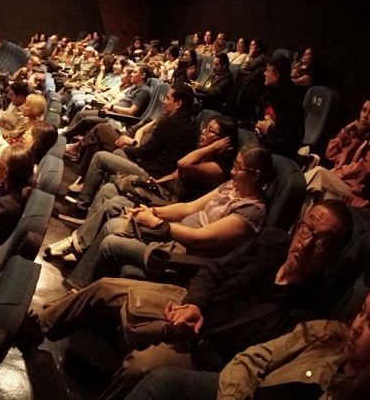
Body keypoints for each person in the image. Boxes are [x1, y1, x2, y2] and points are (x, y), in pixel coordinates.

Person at [33, 200, 356, 400]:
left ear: (334, 255)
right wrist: (195, 304)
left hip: (202, 348)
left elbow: (243, 362)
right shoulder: (272, 242)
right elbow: (215, 270)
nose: (306, 243)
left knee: (140, 368)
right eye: (306, 229)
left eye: (322, 241)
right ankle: (35, 326)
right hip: (191, 303)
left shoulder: (307, 312)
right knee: (105, 287)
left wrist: (194, 334)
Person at [57, 143, 271, 289]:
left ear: (255, 175)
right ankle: (82, 283)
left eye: (238, 168)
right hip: (173, 236)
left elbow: (201, 239)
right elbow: (188, 208)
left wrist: (158, 224)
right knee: (115, 218)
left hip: (185, 255)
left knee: (111, 241)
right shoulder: (230, 187)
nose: (232, 172)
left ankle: (81, 290)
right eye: (233, 166)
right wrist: (153, 212)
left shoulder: (251, 211)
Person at [126, 287, 370, 400]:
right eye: (362, 311)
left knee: (144, 363)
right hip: (242, 391)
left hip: (210, 350)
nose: (357, 326)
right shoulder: (327, 333)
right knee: (163, 380)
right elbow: (254, 358)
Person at [57, 84, 198, 224]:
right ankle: (91, 199)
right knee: (117, 152)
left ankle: (80, 208)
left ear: (178, 103)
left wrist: (127, 148)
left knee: (100, 157)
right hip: (148, 165)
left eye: (167, 98)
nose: (164, 101)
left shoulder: (171, 123)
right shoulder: (181, 122)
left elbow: (144, 152)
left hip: (152, 176)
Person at [254, 54, 305, 158]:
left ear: (277, 76)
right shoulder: (269, 93)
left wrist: (269, 130)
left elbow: (296, 136)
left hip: (281, 151)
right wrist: (259, 127)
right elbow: (262, 118)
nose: (264, 73)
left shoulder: (291, 100)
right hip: (266, 142)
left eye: (268, 71)